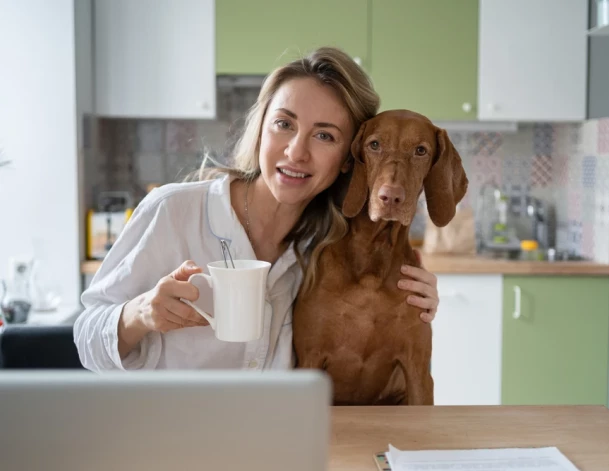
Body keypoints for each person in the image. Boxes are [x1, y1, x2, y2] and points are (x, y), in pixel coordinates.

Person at [73, 47, 440, 371]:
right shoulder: (174, 212)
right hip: (172, 439)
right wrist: (139, 314)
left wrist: (408, 303)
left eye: (324, 135)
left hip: (272, 442)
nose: (296, 151)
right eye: (284, 124)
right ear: (261, 127)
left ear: (350, 158)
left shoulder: (329, 247)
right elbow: (86, 340)